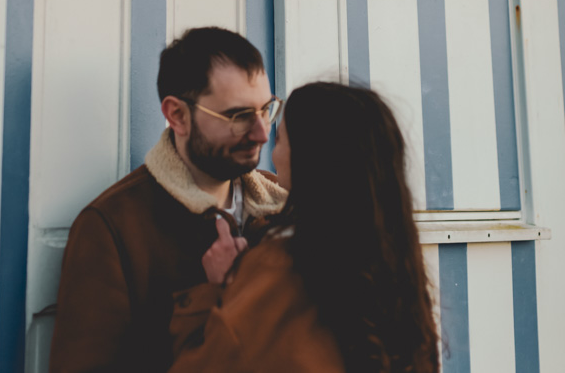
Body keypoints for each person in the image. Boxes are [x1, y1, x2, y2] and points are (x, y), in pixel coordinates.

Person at [49, 27, 287, 373]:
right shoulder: (112, 226)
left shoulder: (285, 205)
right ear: (177, 115)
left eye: (267, 109)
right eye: (239, 117)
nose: (262, 132)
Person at [167, 82, 440, 373]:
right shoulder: (395, 259)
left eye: (280, 139)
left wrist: (218, 289)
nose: (268, 151)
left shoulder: (279, 266)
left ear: (310, 159)